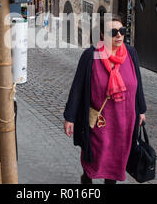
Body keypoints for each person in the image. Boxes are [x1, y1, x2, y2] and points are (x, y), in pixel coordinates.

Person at [63, 14, 147, 184]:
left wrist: (142, 110)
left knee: (117, 156)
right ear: (102, 35)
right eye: (113, 32)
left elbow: (137, 83)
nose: (119, 35)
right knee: (95, 155)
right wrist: (69, 117)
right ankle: (87, 179)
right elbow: (78, 87)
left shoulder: (130, 53)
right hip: (100, 121)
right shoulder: (91, 56)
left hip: (125, 120)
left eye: (122, 31)